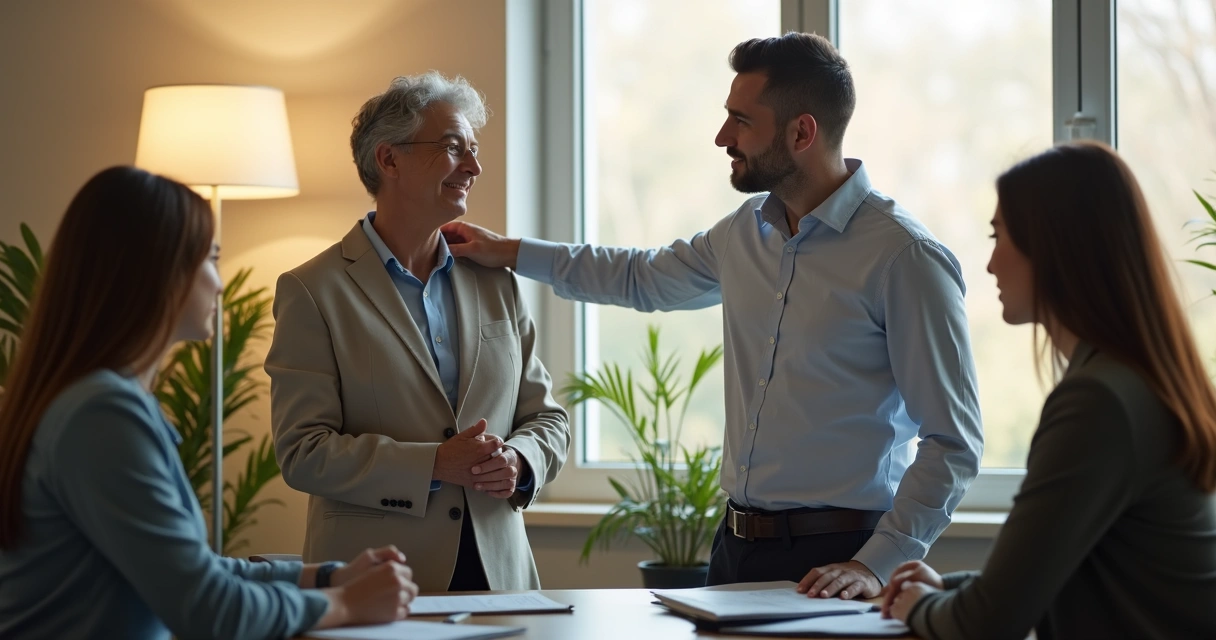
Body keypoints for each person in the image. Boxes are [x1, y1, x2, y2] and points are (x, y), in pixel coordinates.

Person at [442, 32, 983, 598]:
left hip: (844, 561)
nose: (723, 137)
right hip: (734, 550)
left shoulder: (905, 257)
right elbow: (640, 276)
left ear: (803, 131)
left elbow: (953, 439)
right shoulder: (743, 232)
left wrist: (877, 563)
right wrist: (510, 252)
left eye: (740, 121)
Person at [0, 166, 419, 639]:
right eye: (211, 258)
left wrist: (326, 577)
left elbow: (199, 571)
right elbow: (208, 609)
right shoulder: (101, 416)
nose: (220, 283)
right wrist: (345, 604)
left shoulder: (94, 401)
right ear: (156, 270)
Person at [882, 142, 1216, 639]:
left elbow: (987, 626)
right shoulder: (1133, 382)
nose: (991, 265)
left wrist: (916, 607)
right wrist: (946, 590)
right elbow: (1075, 575)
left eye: (1000, 237)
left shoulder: (1098, 403)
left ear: (1054, 246)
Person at [265, 72, 570, 593]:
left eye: (474, 151)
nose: (474, 167)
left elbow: (547, 418)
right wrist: (433, 464)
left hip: (502, 580)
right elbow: (303, 451)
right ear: (389, 160)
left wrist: (521, 461)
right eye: (455, 149)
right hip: (378, 581)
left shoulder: (495, 280)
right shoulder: (312, 290)